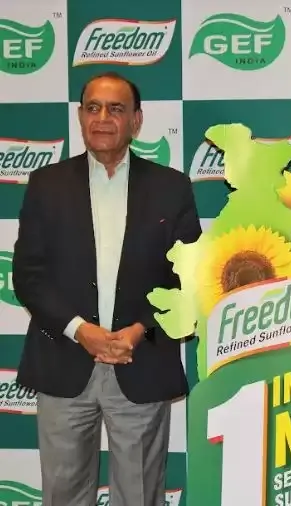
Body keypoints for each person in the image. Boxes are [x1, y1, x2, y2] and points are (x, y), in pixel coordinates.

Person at [12, 72, 202, 505]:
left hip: (141, 358)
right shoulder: (46, 184)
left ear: (136, 121)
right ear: (81, 117)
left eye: (116, 109)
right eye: (93, 108)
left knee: (139, 495)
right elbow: (28, 275)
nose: (103, 118)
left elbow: (186, 277)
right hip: (63, 360)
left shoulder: (171, 187)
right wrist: (80, 330)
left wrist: (140, 329)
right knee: (63, 494)